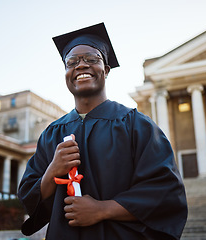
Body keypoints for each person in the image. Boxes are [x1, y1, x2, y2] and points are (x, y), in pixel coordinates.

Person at [18, 23, 188, 240]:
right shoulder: (51, 134)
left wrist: (102, 209)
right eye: (72, 62)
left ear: (106, 70)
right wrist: (52, 171)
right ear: (66, 73)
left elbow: (166, 193)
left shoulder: (137, 125)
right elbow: (28, 198)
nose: (81, 65)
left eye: (91, 59)